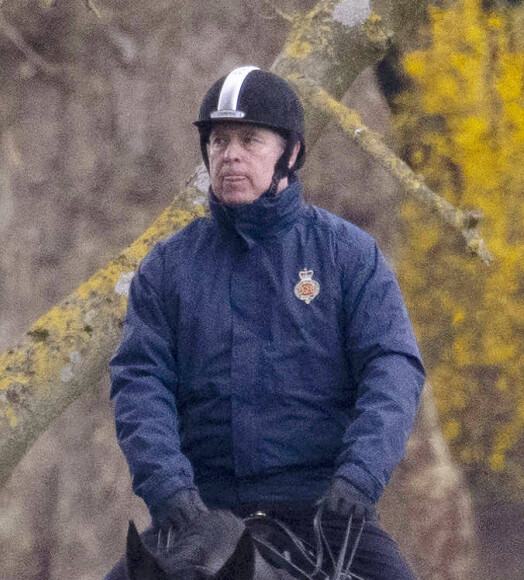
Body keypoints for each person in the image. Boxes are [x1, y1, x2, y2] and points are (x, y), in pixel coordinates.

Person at [108, 65, 425, 579]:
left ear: (291, 153)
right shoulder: (167, 266)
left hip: (325, 508)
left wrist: (361, 476)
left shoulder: (348, 255)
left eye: (249, 140)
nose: (230, 155)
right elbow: (140, 381)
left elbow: (393, 369)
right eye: (218, 141)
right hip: (201, 512)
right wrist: (167, 487)